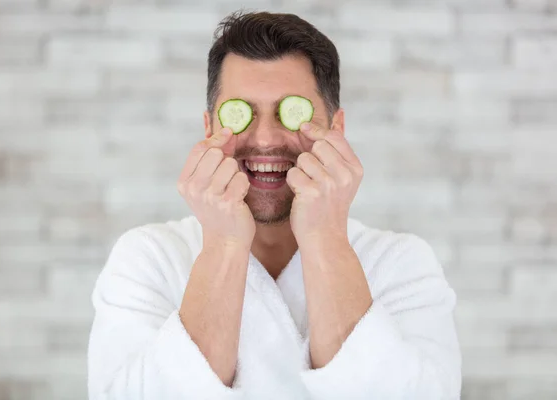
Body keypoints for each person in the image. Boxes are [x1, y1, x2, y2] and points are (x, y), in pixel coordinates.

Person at [87, 10, 462, 400]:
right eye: (241, 113)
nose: (265, 139)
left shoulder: (402, 262)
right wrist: (223, 244)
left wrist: (324, 237)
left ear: (337, 130)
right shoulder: (148, 257)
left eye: (291, 111)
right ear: (209, 130)